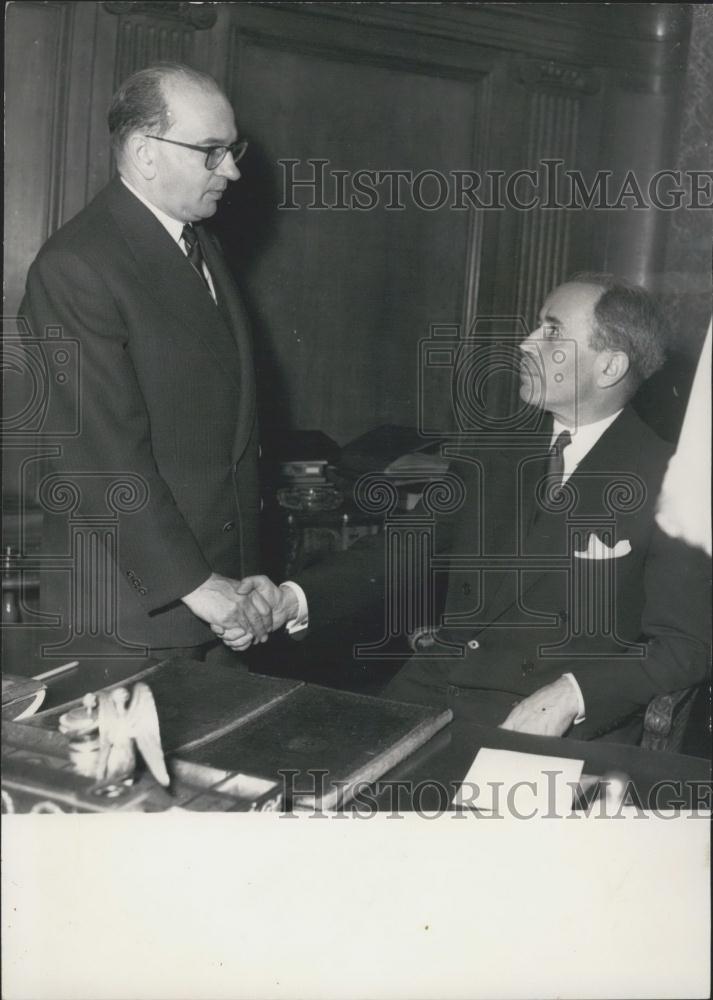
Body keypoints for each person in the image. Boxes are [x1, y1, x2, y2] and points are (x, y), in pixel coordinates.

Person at [225, 276, 710, 741]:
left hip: (552, 723)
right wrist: (292, 598)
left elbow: (683, 647)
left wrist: (573, 694)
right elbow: (404, 547)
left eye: (552, 332)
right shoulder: (493, 452)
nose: (525, 343)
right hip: (436, 695)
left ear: (610, 367)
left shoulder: (672, 479)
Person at [21, 63, 303, 660]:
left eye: (233, 150)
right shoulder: (77, 265)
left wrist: (239, 580)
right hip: (134, 616)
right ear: (146, 153)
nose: (232, 170)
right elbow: (99, 455)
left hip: (219, 601)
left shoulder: (200, 243)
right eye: (211, 151)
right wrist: (197, 586)